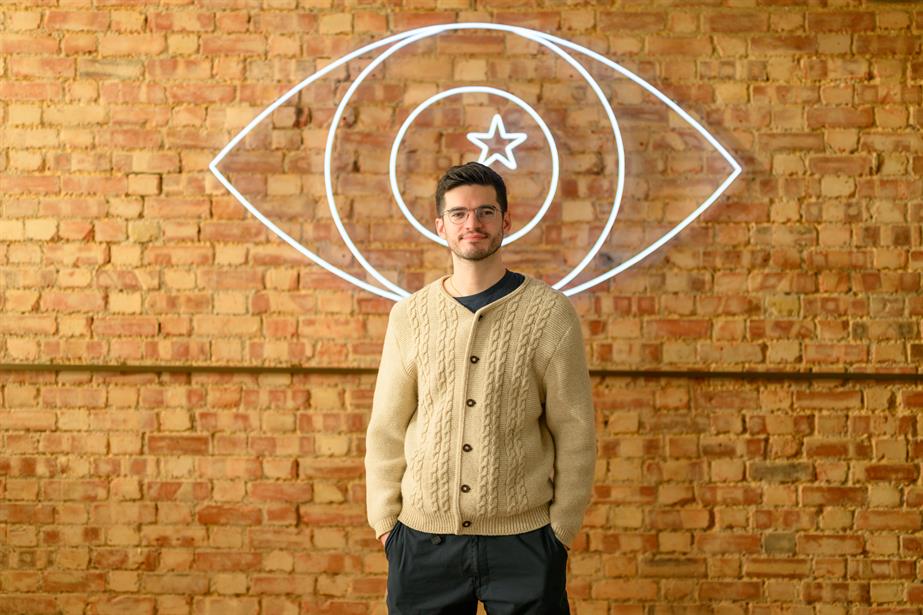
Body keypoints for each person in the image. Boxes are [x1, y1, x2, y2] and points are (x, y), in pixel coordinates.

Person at [364, 161, 596, 614]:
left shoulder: (550, 314)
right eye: (459, 213)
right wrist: (386, 524)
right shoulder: (410, 316)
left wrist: (561, 531)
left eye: (486, 212)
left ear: (506, 221)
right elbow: (386, 428)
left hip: (524, 542)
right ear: (441, 226)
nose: (473, 223)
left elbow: (575, 429)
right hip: (422, 542)